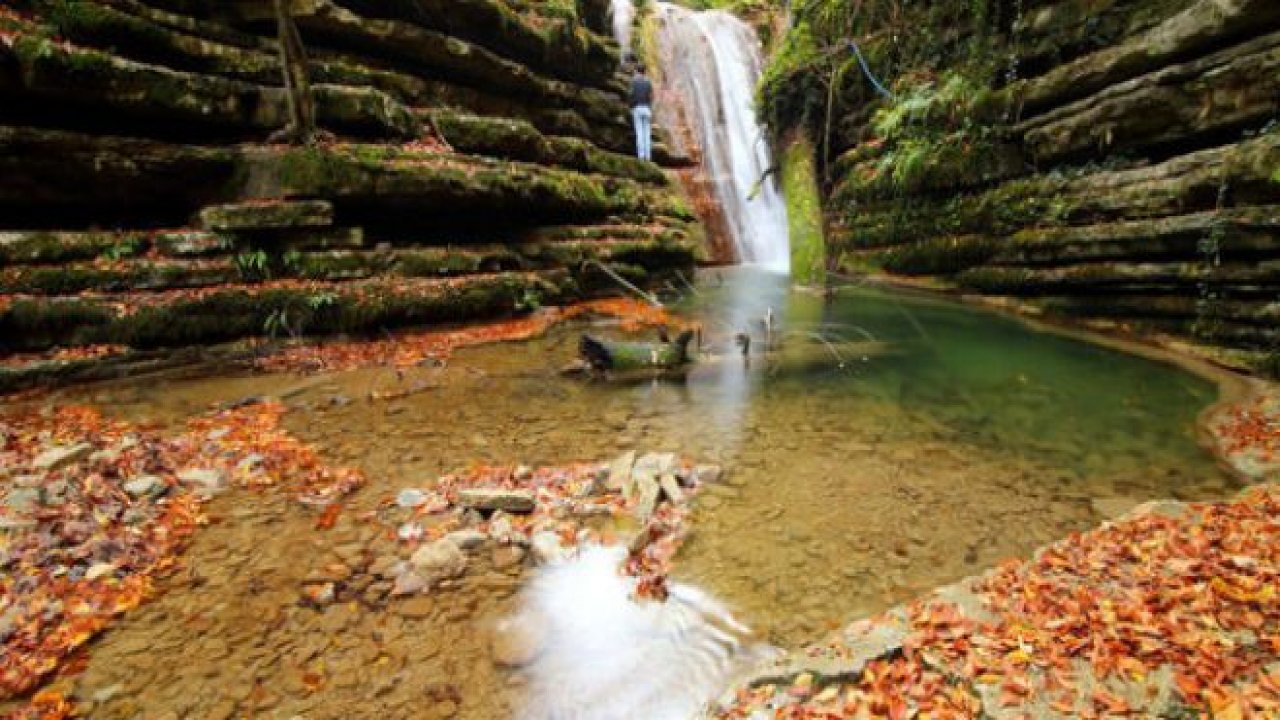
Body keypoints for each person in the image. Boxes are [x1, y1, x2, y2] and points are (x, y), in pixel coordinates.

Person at [629, 64, 653, 161]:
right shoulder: (648, 82)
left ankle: (641, 157)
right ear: (644, 71)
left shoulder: (634, 82)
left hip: (637, 107)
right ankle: (648, 157)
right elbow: (651, 96)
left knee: (639, 132)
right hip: (646, 108)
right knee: (647, 133)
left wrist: (631, 106)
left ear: (637, 71)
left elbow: (631, 95)